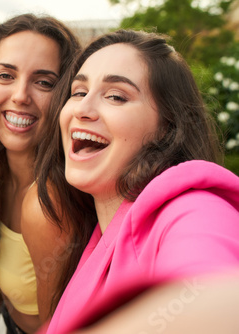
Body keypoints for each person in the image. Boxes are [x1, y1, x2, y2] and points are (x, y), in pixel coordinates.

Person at [35, 29, 239, 333]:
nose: (82, 109)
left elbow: (220, 301)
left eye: (116, 96)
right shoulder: (95, 233)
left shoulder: (195, 210)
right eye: (78, 92)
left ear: (167, 128)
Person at [0, 14, 86, 334]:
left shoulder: (49, 201)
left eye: (44, 82)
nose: (20, 95)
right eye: (6, 75)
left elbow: (56, 327)